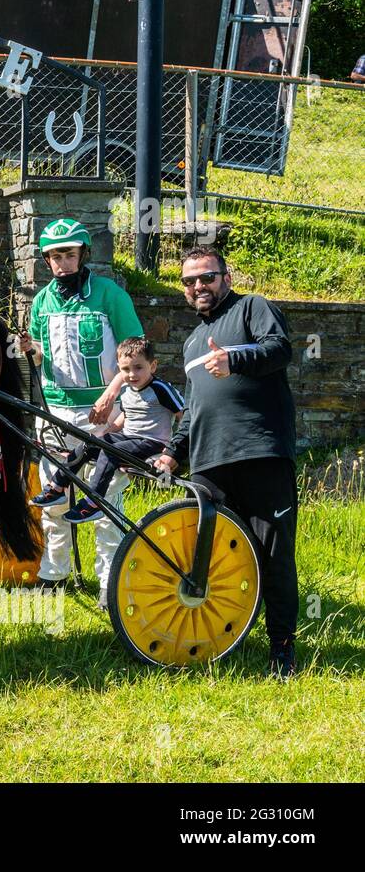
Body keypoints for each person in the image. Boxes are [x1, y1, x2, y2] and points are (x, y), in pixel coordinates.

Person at [153, 246, 299, 678]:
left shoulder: (253, 308)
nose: (199, 286)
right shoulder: (193, 341)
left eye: (208, 277)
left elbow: (280, 349)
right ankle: (215, 637)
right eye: (190, 281)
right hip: (207, 464)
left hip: (260, 453)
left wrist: (234, 358)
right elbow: (194, 410)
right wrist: (173, 453)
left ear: (226, 278)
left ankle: (283, 649)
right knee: (206, 558)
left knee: (273, 554)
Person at [18, 218, 144, 608]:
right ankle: (54, 574)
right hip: (55, 412)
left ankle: (110, 582)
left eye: (69, 254)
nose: (62, 264)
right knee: (54, 498)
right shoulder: (41, 302)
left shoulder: (110, 296)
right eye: (55, 256)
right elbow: (42, 357)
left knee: (105, 498)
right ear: (46, 260)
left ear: (82, 254)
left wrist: (112, 395)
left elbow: (135, 353)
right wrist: (29, 349)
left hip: (104, 414)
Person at [32, 336, 184, 527]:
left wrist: (172, 450)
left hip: (151, 441)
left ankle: (94, 502)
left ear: (152, 366)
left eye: (138, 367)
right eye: (125, 369)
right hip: (129, 436)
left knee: (109, 452)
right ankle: (57, 487)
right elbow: (126, 416)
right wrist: (106, 434)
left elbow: (183, 414)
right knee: (89, 443)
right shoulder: (128, 389)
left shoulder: (160, 389)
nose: (131, 374)